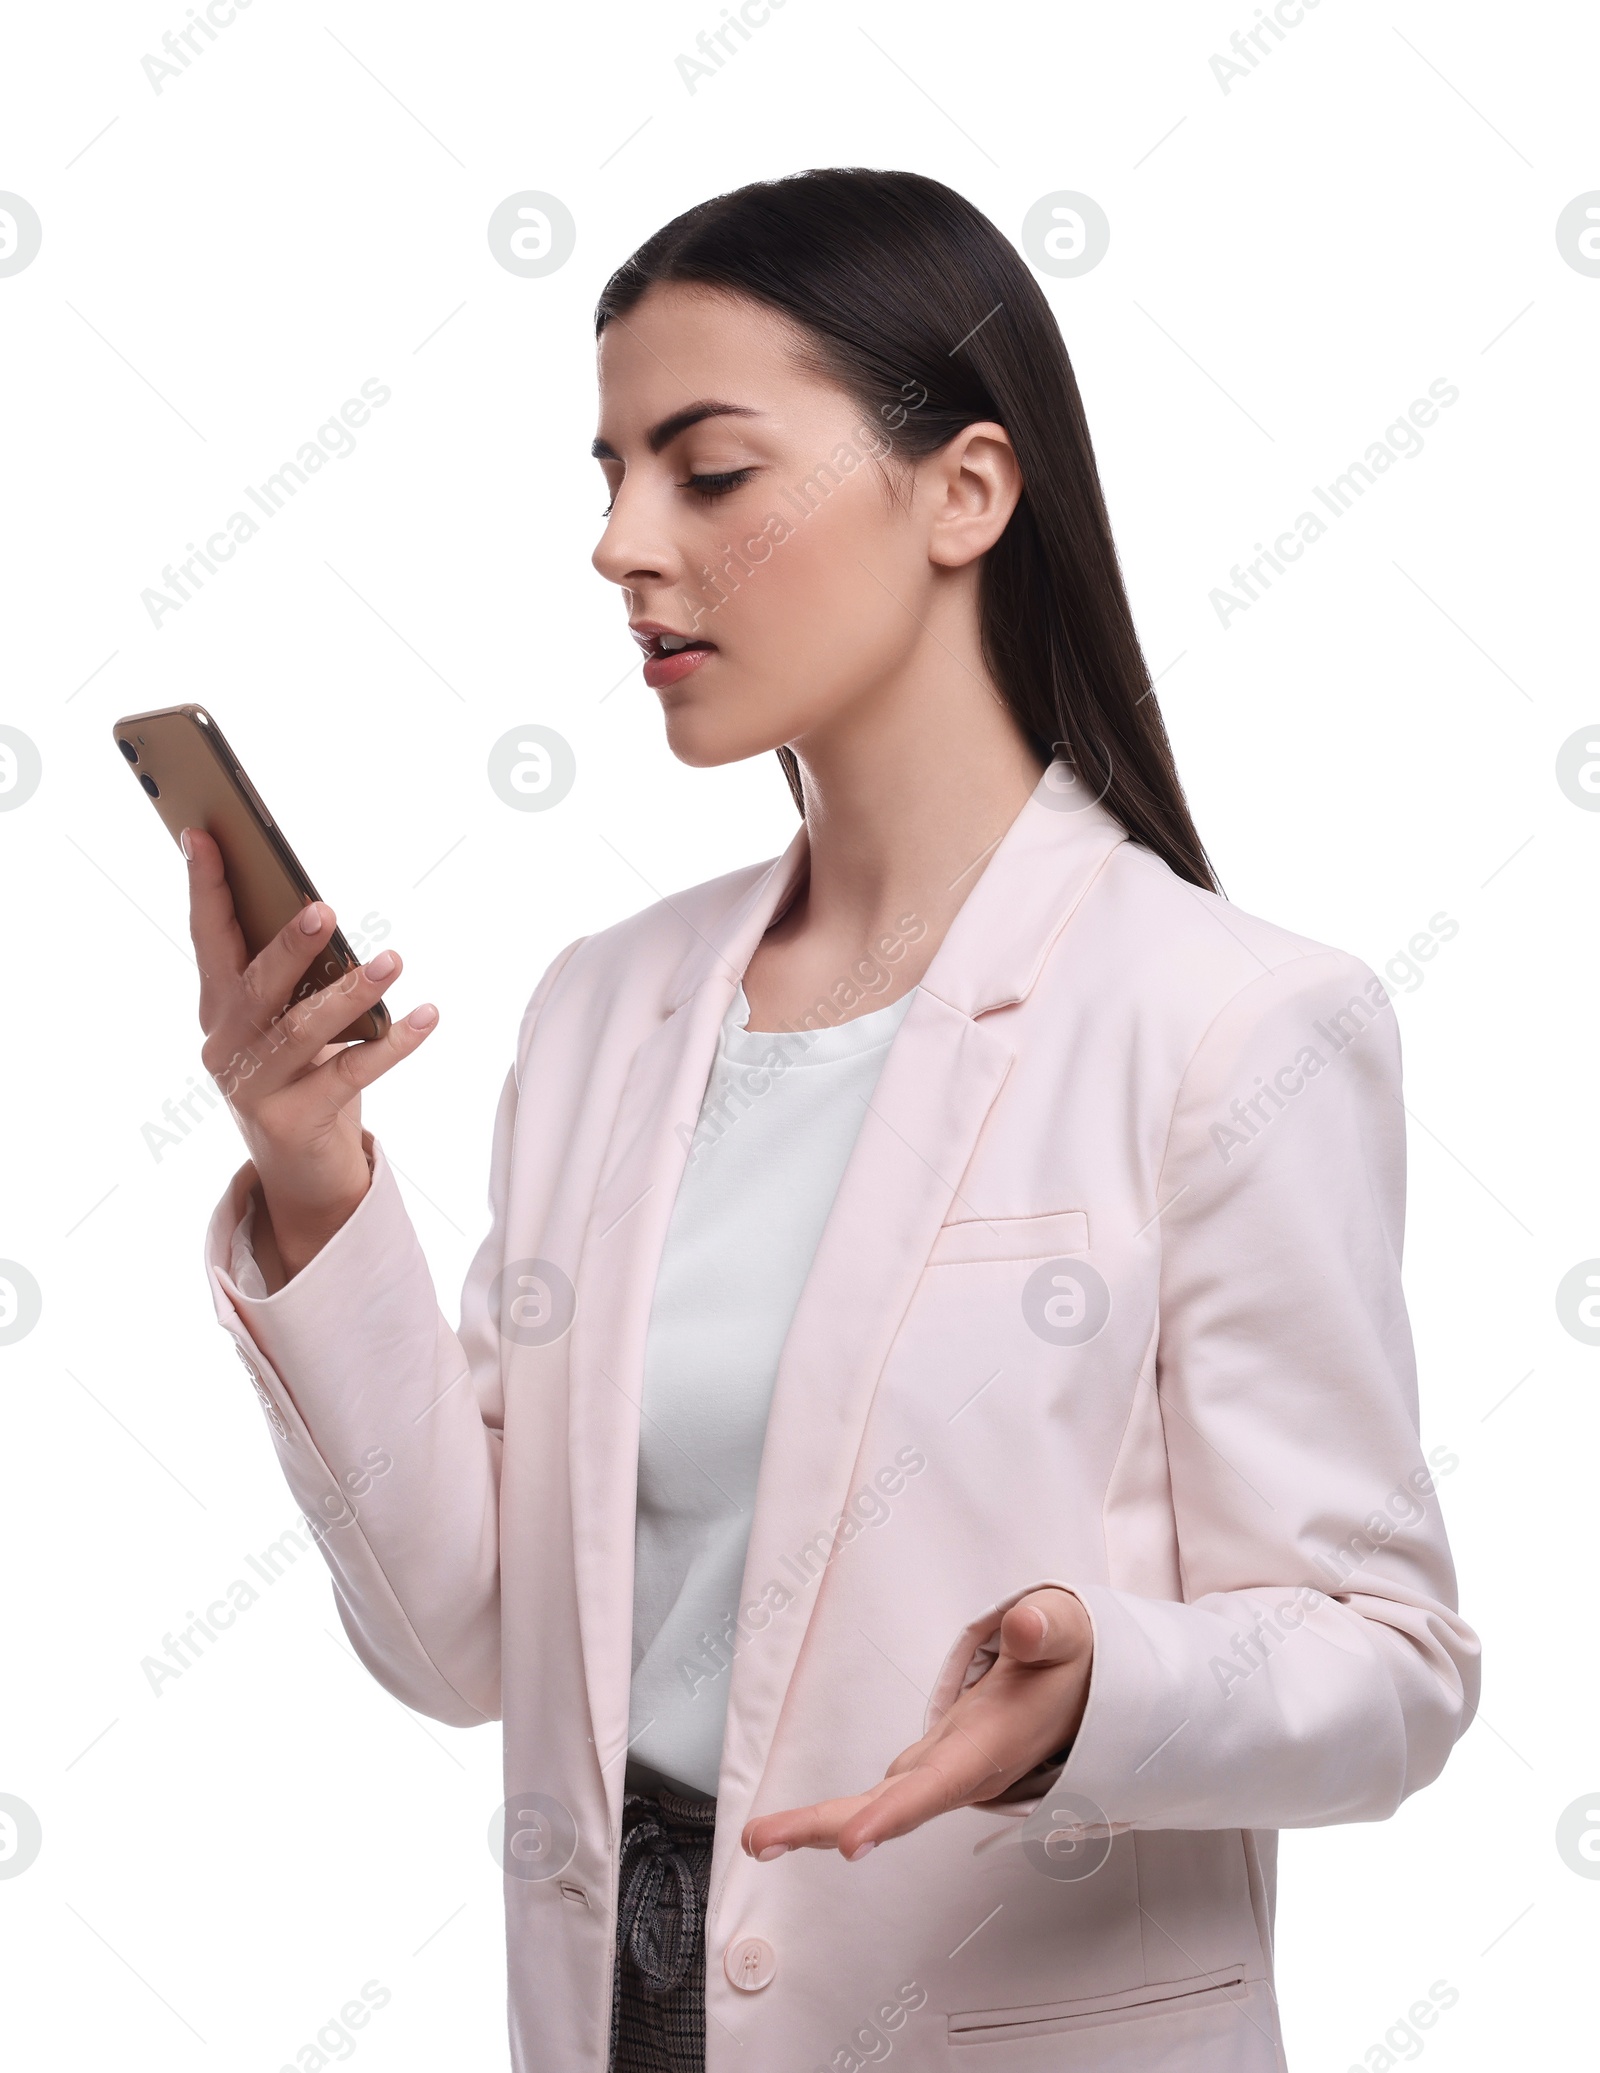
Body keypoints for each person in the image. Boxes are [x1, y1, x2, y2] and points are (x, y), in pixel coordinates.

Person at [191, 169, 1479, 2073]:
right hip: (626, 2004)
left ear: (966, 490)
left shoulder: (1234, 1020)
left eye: (707, 472)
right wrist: (313, 1179)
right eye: (612, 472)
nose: (622, 544)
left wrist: (1100, 1682)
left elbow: (1393, 1665)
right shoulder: (604, 1009)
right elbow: (464, 1638)